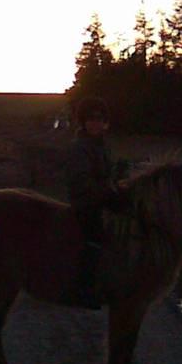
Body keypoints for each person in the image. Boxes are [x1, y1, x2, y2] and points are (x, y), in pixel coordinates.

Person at [65, 96, 122, 308]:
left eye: (99, 119)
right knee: (94, 237)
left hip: (102, 198)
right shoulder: (79, 147)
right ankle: (84, 289)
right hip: (86, 202)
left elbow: (108, 174)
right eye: (91, 119)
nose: (95, 123)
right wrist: (107, 192)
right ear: (83, 122)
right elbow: (81, 181)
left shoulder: (103, 146)